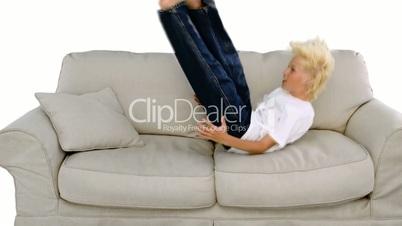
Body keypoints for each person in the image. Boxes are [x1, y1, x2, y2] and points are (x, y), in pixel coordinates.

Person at [158, 0, 334, 154]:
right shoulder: (286, 93)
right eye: (288, 67)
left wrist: (224, 138)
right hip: (247, 118)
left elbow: (262, 146)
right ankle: (199, 9)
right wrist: (210, 100)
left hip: (240, 133)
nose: (285, 72)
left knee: (214, 76)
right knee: (231, 65)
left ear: (309, 80)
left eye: (292, 70)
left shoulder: (300, 113)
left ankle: (173, 13)